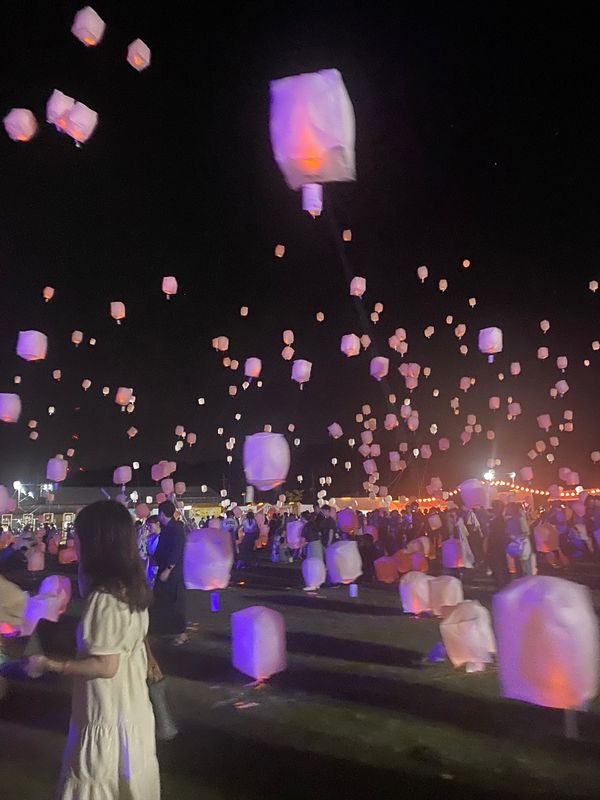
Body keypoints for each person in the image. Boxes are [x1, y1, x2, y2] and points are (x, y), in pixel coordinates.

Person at [24, 500, 160, 800]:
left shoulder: (105, 599)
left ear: (96, 544)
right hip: (132, 705)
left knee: (98, 780)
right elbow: (136, 637)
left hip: (107, 709)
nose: (74, 543)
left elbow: (105, 666)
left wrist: (49, 664)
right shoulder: (131, 588)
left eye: (78, 536)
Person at [150, 500, 188, 645]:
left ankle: (180, 632)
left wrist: (168, 569)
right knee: (161, 600)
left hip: (173, 572)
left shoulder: (177, 528)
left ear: (162, 514)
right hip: (163, 568)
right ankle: (163, 630)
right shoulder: (166, 529)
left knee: (175, 601)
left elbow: (177, 550)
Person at [488, 500, 510, 589]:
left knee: (499, 566)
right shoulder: (500, 519)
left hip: (497, 546)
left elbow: (495, 535)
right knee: (501, 565)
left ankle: (502, 585)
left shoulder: (498, 520)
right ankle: (503, 584)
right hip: (499, 546)